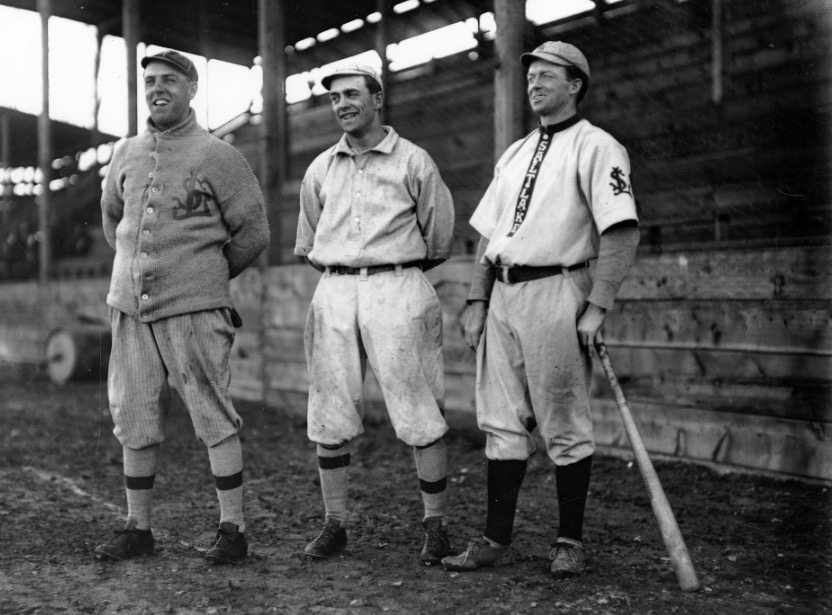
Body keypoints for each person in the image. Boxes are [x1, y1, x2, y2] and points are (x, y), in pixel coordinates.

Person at [441, 41, 640, 578]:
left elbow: (621, 232)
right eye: (530, 76)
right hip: (503, 295)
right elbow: (488, 237)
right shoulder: (515, 151)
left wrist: (597, 306)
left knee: (563, 422)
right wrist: (477, 299)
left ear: (575, 84)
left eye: (547, 76)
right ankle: (494, 539)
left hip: (558, 289)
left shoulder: (598, 146)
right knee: (501, 423)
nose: (534, 84)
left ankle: (569, 541)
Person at [95, 49, 269, 565]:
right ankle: (137, 528)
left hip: (194, 307)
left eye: (170, 80)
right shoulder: (125, 151)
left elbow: (254, 233)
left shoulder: (219, 154)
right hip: (130, 307)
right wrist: (136, 271)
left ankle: (233, 530)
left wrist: (204, 276)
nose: (157, 88)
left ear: (192, 89)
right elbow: (112, 221)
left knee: (212, 416)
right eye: (149, 80)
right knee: (133, 414)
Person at [295, 63, 456, 566]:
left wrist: (394, 269)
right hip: (336, 290)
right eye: (334, 98)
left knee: (419, 411)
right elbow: (311, 239)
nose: (341, 104)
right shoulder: (321, 167)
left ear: (377, 99)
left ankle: (436, 526)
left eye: (351, 95)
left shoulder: (413, 161)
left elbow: (439, 235)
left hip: (398, 285)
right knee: (329, 412)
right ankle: (335, 523)